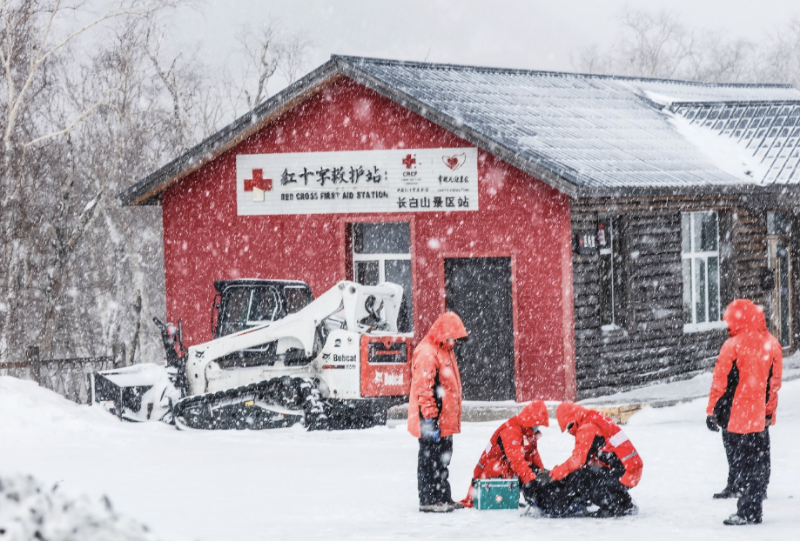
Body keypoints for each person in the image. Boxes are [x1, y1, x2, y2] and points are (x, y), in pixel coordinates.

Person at [706, 299, 782, 526]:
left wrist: (712, 411)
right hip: (758, 416)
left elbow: (720, 382)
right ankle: (755, 495)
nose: (727, 324)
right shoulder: (772, 344)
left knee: (742, 460)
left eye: (729, 319)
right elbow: (773, 385)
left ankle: (748, 510)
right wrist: (769, 413)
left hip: (737, 415)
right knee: (758, 462)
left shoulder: (732, 345)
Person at [534, 402, 642, 518]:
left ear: (574, 419)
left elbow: (577, 461)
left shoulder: (587, 427)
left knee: (586, 480)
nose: (570, 432)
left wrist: (552, 475)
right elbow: (586, 459)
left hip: (626, 473)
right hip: (630, 470)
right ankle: (624, 503)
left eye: (569, 427)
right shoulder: (593, 419)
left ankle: (616, 507)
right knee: (589, 473)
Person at [408, 311, 468, 513]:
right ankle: (428, 500)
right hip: (431, 419)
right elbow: (424, 390)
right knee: (429, 461)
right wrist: (430, 418)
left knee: (443, 459)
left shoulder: (444, 348)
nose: (454, 341)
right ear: (443, 333)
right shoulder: (428, 352)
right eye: (452, 337)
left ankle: (443, 498)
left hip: (444, 419)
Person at [460, 400, 550, 508]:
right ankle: (501, 497)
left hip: (499, 470)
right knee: (518, 470)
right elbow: (516, 461)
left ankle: (510, 496)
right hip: (486, 476)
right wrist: (530, 480)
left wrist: (541, 474)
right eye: (537, 424)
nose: (537, 427)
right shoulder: (511, 431)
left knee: (531, 472)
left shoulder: (527, 431)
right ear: (530, 421)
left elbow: (533, 455)